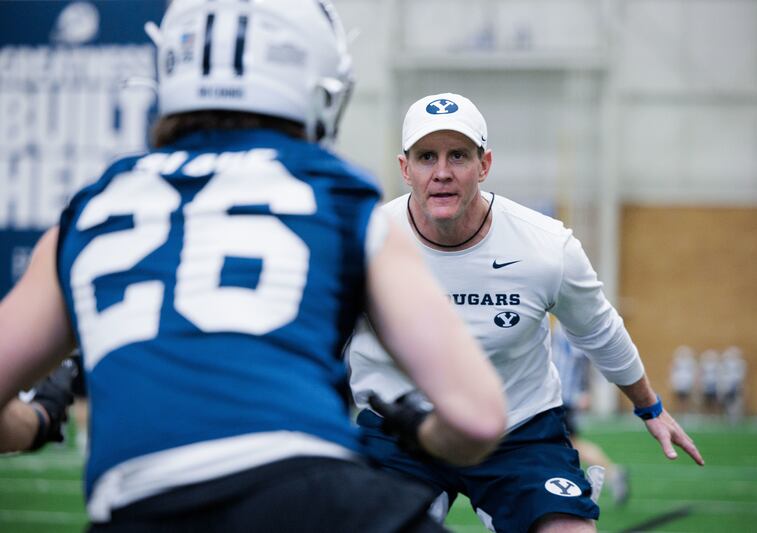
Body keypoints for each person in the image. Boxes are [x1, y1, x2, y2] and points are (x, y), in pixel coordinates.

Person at [0, 3, 508, 532]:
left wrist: (37, 422)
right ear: (318, 86)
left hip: (142, 509)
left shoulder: (91, 213)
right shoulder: (338, 198)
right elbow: (478, 417)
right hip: (315, 499)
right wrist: (422, 432)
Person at [346, 92, 705, 533]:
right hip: (398, 430)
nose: (441, 172)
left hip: (515, 427)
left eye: (458, 155)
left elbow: (600, 331)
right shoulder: (363, 242)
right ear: (405, 169)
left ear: (484, 164)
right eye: (426, 157)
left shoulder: (545, 248)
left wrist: (649, 408)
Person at [550, 319, 629, 506]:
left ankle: (612, 473)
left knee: (570, 443)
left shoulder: (569, 325)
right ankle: (611, 473)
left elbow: (584, 359)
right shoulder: (560, 324)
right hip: (558, 394)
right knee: (567, 444)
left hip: (562, 396)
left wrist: (585, 390)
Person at [670, 345, 697, 411]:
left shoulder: (690, 362)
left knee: (686, 399)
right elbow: (672, 372)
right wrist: (673, 382)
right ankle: (679, 412)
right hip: (679, 383)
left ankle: (685, 412)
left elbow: (694, 372)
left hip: (687, 383)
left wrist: (694, 382)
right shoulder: (676, 362)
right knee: (679, 399)